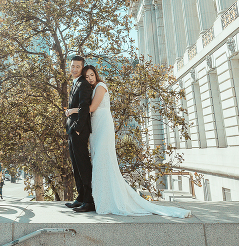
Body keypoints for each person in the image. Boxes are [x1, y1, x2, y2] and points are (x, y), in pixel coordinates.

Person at [67, 65, 190, 218]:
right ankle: (100, 199)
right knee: (99, 163)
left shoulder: (100, 86)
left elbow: (91, 107)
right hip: (96, 128)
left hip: (103, 126)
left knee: (103, 160)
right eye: (86, 77)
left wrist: (72, 110)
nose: (90, 78)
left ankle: (107, 200)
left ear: (96, 74)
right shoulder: (91, 89)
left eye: (92, 75)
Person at [64, 55, 94, 213]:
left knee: (83, 165)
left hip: (79, 131)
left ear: (82, 68)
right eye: (72, 66)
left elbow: (84, 108)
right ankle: (81, 197)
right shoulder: (75, 83)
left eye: (77, 67)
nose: (74, 69)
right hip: (72, 130)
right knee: (76, 165)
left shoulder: (83, 85)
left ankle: (89, 201)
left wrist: (76, 129)